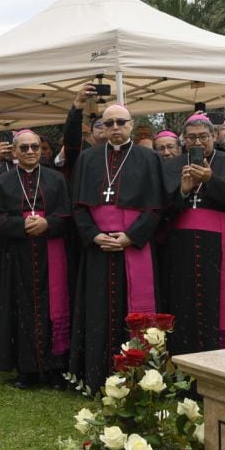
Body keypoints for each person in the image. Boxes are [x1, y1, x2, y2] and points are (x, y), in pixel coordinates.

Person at [67, 103, 166, 391]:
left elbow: (157, 206)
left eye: (120, 122)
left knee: (134, 310)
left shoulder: (149, 158)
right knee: (96, 309)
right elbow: (78, 206)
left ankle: (139, 379)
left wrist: (132, 236)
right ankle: (96, 375)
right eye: (108, 123)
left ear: (131, 125)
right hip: (98, 247)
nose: (114, 128)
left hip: (134, 247)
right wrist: (94, 235)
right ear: (102, 128)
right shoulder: (88, 159)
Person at [155, 114, 225, 352]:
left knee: (216, 302)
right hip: (180, 248)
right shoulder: (171, 166)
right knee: (181, 302)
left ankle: (219, 355)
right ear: (184, 140)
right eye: (191, 137)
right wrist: (183, 192)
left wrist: (211, 180)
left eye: (202, 137)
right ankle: (181, 355)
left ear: (214, 136)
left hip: (219, 246)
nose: (197, 143)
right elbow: (160, 207)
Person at [0, 130, 72, 389]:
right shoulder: (1, 182)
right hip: (17, 257)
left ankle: (56, 368)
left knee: (53, 309)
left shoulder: (57, 179)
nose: (30, 152)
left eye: (35, 147)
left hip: (51, 253)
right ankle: (27, 370)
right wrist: (21, 225)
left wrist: (48, 223)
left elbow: (68, 215)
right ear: (14, 152)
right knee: (20, 310)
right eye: (24, 148)